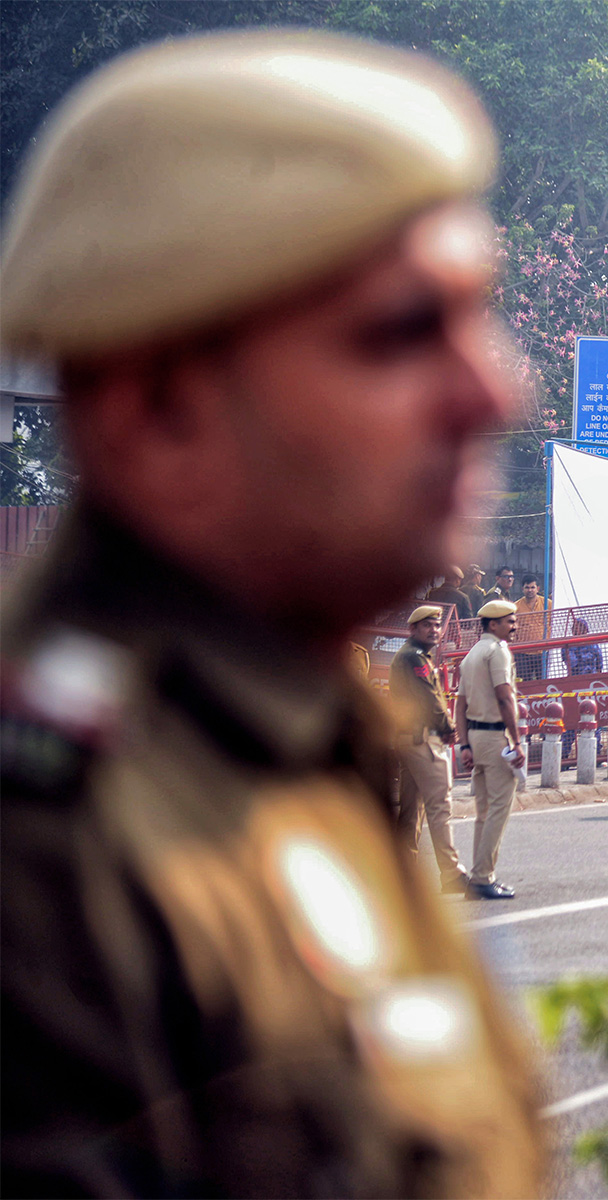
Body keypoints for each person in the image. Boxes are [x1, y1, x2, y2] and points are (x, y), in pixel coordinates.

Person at [0, 30, 546, 1195]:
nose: (495, 387)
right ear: (157, 413)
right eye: (401, 332)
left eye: (476, 315)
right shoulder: (47, 849)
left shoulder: (302, 740)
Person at [391, 605, 472, 893]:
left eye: (437, 626)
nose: (434, 630)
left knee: (411, 812)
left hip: (409, 739)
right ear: (413, 629)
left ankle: (403, 877)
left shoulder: (412, 656)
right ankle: (451, 873)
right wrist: (450, 727)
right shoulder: (413, 658)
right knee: (440, 805)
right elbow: (429, 697)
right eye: (427, 625)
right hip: (423, 740)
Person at [454, 600, 525, 899]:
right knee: (499, 808)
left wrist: (464, 743)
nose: (515, 625)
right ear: (493, 624)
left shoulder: (472, 654)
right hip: (496, 738)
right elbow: (504, 698)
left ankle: (479, 875)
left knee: (483, 812)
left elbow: (460, 703)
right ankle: (483, 877)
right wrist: (517, 739)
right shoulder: (498, 652)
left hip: (475, 736)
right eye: (510, 621)